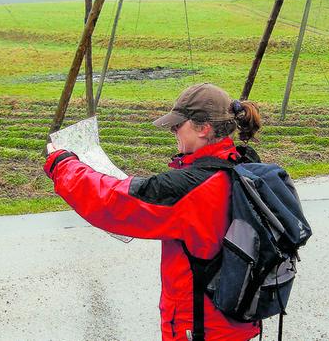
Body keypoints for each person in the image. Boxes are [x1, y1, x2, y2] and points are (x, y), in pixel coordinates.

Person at [44, 83, 262, 341]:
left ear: (204, 129)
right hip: (239, 324)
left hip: (201, 329)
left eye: (177, 125)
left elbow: (113, 203)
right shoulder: (244, 164)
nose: (173, 131)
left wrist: (63, 165)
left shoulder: (190, 188)